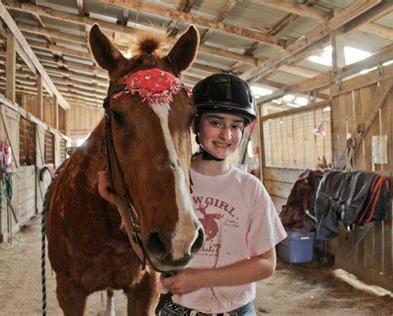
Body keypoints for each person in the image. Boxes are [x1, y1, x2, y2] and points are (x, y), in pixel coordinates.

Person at [98, 73, 287, 316]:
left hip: (236, 309)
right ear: (195, 125)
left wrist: (199, 278)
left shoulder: (251, 189)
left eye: (235, 126)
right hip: (179, 309)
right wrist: (120, 204)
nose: (226, 135)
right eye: (216, 123)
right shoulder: (171, 184)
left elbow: (266, 264)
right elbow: (149, 254)